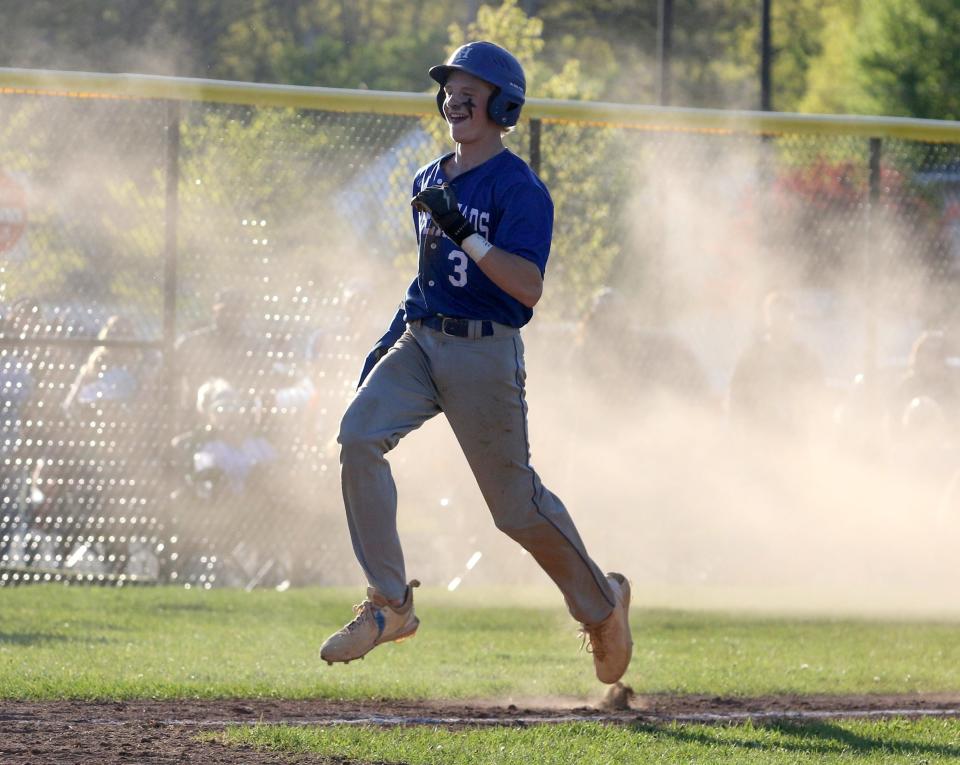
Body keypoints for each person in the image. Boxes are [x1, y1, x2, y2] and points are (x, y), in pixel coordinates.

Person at [319, 41, 632, 685]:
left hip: (485, 350)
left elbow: (526, 286)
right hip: (422, 335)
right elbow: (425, 280)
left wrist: (465, 229)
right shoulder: (428, 177)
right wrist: (386, 344)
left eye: (473, 88)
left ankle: (602, 604)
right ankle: (389, 604)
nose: (456, 97)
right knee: (357, 436)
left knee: (515, 508)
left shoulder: (521, 188)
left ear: (504, 104)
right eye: (450, 86)